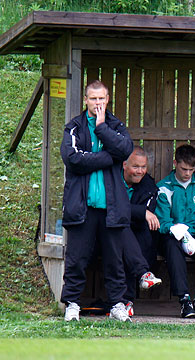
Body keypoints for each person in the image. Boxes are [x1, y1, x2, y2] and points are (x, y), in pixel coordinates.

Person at [59, 80, 133, 322]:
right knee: (77, 259)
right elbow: (73, 159)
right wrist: (107, 157)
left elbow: (124, 150)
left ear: (107, 99)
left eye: (101, 98)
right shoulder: (74, 127)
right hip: (82, 207)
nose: (97, 103)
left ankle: (117, 305)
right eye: (93, 98)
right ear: (85, 100)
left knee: (114, 261)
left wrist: (101, 128)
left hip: (111, 209)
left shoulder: (116, 126)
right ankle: (71, 304)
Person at [155, 144, 195, 318]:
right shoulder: (163, 187)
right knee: (169, 244)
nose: (187, 173)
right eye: (184, 169)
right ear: (175, 163)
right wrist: (175, 229)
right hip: (174, 236)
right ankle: (184, 300)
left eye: (191, 170)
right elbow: (162, 221)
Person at [121, 146, 162, 316]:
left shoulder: (149, 185)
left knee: (134, 236)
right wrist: (140, 212)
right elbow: (111, 209)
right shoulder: (112, 180)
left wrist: (136, 214)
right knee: (121, 230)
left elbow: (143, 218)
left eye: (143, 167)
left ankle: (126, 302)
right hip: (105, 233)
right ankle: (143, 274)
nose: (140, 171)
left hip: (136, 237)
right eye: (135, 167)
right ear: (124, 165)